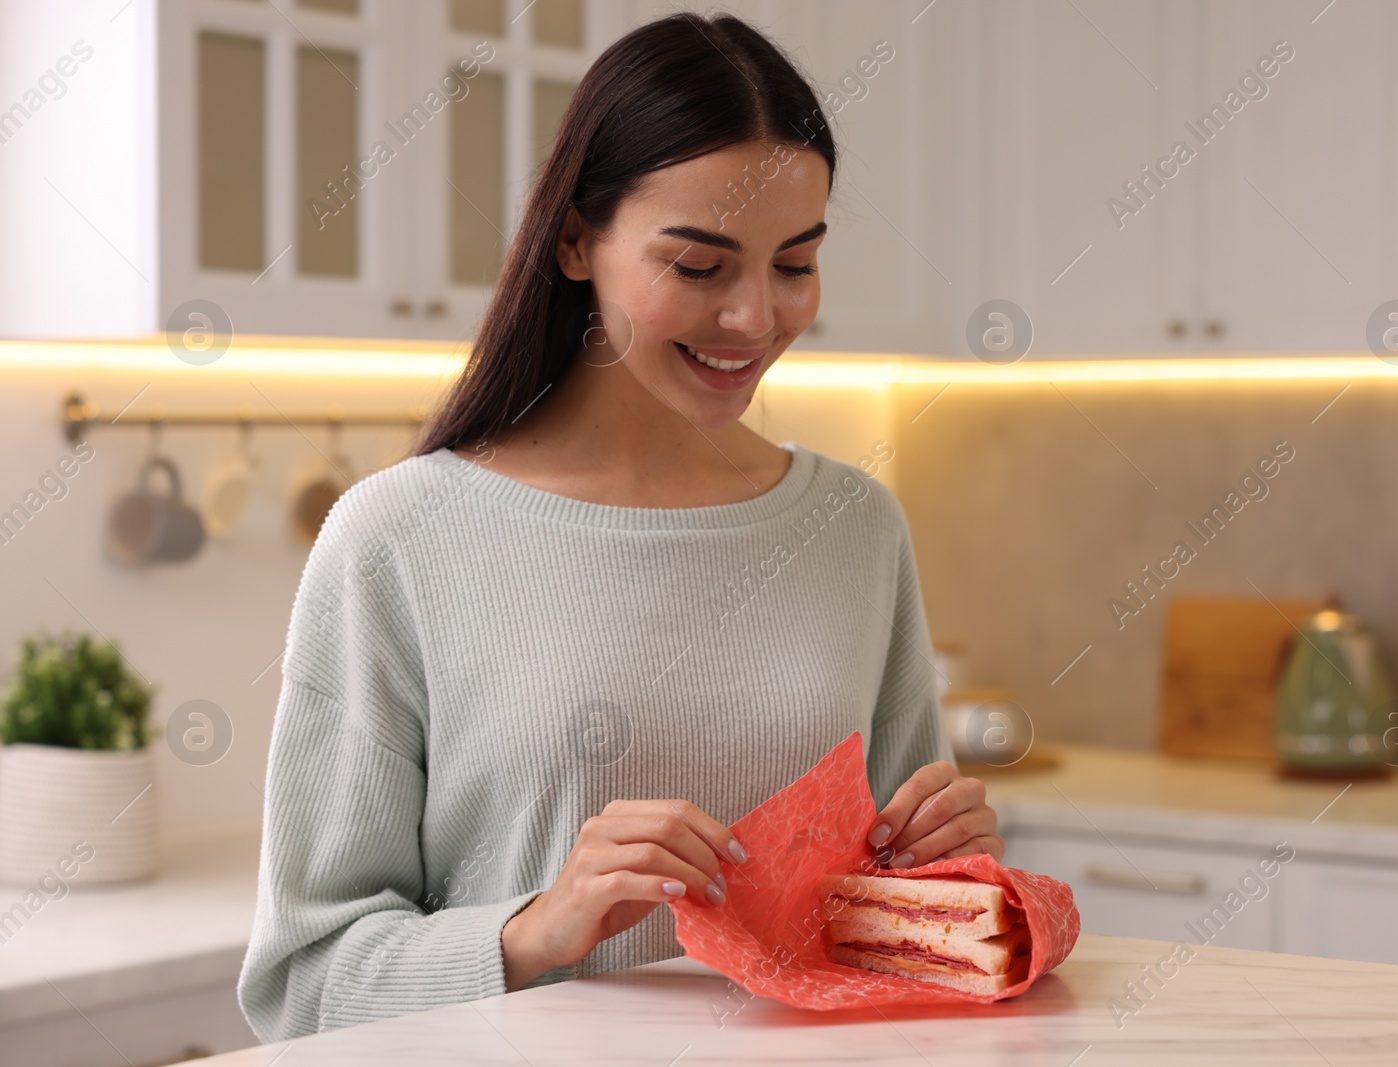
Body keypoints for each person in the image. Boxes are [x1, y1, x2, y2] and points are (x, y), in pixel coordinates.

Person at [239, 11, 1002, 1041]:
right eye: (698, 267)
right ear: (573, 240)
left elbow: (895, 933)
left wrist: (944, 870)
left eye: (794, 263)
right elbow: (304, 985)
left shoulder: (854, 526)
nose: (753, 317)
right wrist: (539, 926)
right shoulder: (400, 536)